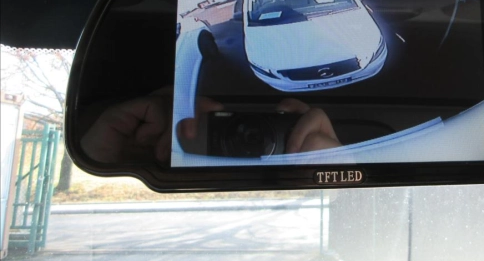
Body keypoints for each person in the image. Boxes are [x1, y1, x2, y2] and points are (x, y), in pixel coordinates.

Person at [80, 90, 340, 164]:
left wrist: (335, 176)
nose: (251, 138)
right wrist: (123, 159)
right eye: (220, 123)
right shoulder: (160, 149)